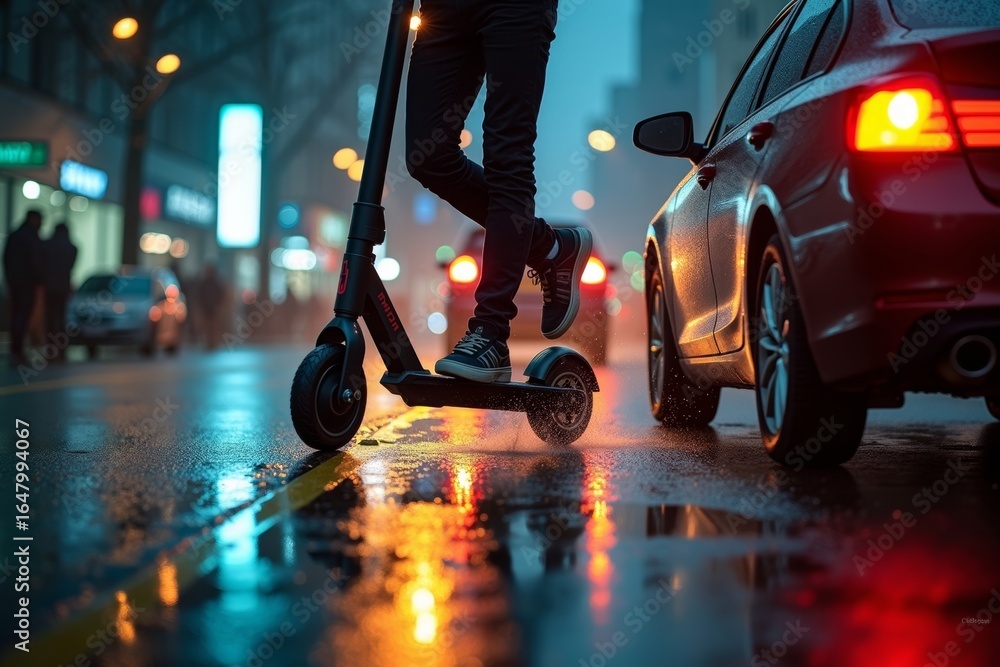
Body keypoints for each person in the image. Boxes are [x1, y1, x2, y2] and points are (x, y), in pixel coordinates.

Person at [406, 0, 593, 383]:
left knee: (508, 156)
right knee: (427, 156)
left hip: (513, 7)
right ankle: (552, 248)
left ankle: (490, 333)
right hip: (441, 8)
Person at [2, 210, 45, 366]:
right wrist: (40, 279)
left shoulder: (16, 236)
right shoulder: (31, 238)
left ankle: (16, 349)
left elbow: (5, 259)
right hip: (27, 283)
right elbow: (36, 262)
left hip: (15, 283)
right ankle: (18, 349)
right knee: (22, 316)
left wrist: (9, 279)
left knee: (16, 316)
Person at [43, 222, 77, 361]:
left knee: (50, 318)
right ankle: (61, 349)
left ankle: (51, 348)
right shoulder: (71, 248)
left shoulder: (47, 246)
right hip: (63, 286)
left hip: (49, 286)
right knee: (61, 318)